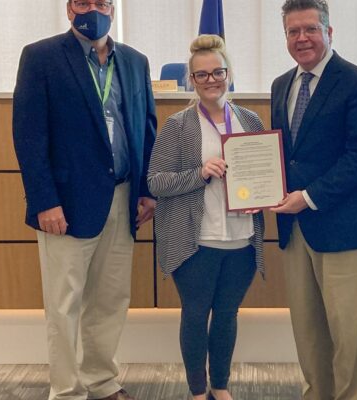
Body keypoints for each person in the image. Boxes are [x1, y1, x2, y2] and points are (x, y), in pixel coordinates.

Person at [12, 1, 157, 399]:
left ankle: (102, 381)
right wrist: (45, 201)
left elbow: (146, 128)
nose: (92, 9)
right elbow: (29, 136)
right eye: (83, 1)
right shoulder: (41, 57)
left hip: (124, 197)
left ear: (113, 8)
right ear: (68, 8)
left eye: (101, 2)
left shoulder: (135, 61)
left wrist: (146, 190)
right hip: (66, 205)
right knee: (64, 304)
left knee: (110, 300)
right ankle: (66, 390)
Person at [269, 0, 357, 399]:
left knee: (346, 333)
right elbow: (283, 155)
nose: (302, 38)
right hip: (296, 227)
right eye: (293, 31)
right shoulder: (281, 85)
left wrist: (309, 196)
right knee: (308, 330)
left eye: (310, 29)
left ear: (329, 32)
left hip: (344, 228)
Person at [147, 35, 265, 400]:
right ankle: (198, 391)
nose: (211, 79)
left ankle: (221, 385)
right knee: (196, 316)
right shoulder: (178, 126)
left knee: (228, 316)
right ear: (191, 80)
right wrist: (199, 173)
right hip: (195, 241)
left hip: (242, 240)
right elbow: (156, 182)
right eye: (201, 75)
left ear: (229, 73)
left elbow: (264, 175)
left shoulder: (250, 119)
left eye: (218, 71)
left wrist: (262, 195)